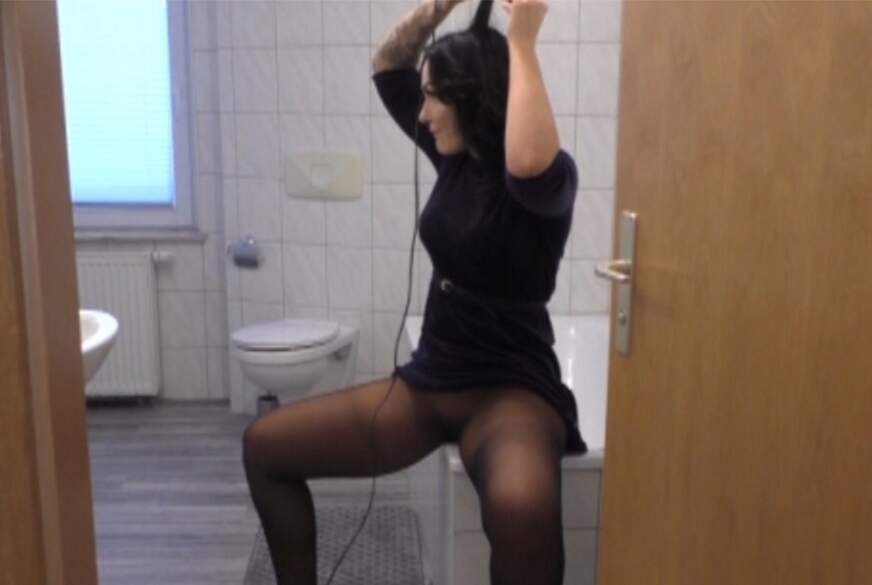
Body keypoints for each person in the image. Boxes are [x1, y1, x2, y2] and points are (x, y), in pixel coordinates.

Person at [242, 1, 586, 584]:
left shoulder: (545, 181)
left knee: (522, 508)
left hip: (512, 394)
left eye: (433, 97)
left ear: (472, 99)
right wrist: (441, 4)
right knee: (266, 447)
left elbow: (527, 159)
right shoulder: (455, 160)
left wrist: (522, 41)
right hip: (430, 386)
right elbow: (388, 64)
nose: (421, 113)